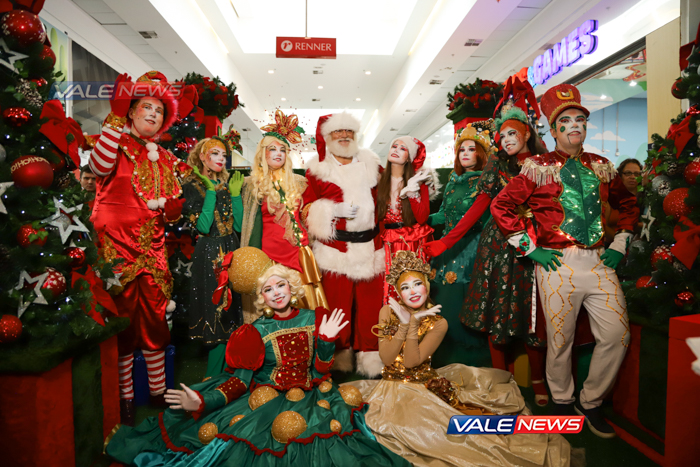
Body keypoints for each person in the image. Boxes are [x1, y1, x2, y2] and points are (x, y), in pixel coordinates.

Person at [105, 247, 410, 467]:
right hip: (266, 400)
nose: (276, 293)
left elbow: (320, 372)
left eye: (280, 285)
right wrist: (204, 402)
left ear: (291, 288)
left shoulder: (314, 318)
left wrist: (327, 343)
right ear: (260, 297)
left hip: (312, 397)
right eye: (268, 289)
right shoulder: (252, 332)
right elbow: (238, 382)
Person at [490, 83, 639, 438]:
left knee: (618, 334)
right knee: (561, 339)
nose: (575, 126)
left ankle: (591, 402)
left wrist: (620, 242)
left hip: (600, 262)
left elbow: (629, 204)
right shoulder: (536, 167)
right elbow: (502, 206)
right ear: (554, 130)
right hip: (558, 263)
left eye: (581, 120)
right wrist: (529, 248)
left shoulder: (602, 166)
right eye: (567, 121)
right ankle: (561, 401)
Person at [343, 250, 570, 467]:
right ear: (398, 292)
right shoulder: (387, 311)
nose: (412, 291)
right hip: (389, 387)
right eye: (405, 287)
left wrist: (411, 324)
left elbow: (412, 362)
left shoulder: (439, 323)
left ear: (427, 285)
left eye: (417, 284)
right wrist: (403, 325)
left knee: (444, 439)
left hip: (420, 388)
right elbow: (387, 356)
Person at [425, 78, 550, 406]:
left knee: (535, 315)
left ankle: (538, 380)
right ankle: (498, 377)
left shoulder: (545, 166)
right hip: (499, 249)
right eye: (503, 134)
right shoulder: (492, 170)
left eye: (514, 133)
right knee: (497, 315)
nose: (508, 140)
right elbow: (478, 210)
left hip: (534, 246)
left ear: (526, 134)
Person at [89, 71, 191, 425]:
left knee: (156, 322)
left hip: (154, 249)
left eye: (159, 110)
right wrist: (113, 119)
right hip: (115, 248)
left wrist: (176, 208)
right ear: (131, 112)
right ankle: (126, 399)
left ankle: (159, 391)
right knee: (122, 324)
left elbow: (174, 198)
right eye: (146, 107)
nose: (153, 114)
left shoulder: (164, 157)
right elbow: (97, 167)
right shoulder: (113, 141)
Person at [302, 112, 384, 377]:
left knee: (372, 307)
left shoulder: (372, 164)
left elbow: (388, 197)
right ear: (328, 136)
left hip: (371, 247)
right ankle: (337, 358)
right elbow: (305, 210)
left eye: (349, 131)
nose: (345, 135)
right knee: (337, 306)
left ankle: (371, 357)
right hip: (335, 251)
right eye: (339, 132)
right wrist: (332, 210)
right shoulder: (317, 171)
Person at [240, 109, 328, 320]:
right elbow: (250, 224)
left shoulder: (298, 183)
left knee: (306, 305)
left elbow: (308, 215)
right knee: (275, 306)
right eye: (273, 149)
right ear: (263, 153)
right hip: (270, 255)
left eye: (283, 150)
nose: (278, 153)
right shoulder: (252, 185)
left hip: (299, 252)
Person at [425, 125, 490, 367]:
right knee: (442, 294)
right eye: (461, 149)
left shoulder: (485, 182)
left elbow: (469, 220)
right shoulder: (453, 179)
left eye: (471, 149)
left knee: (463, 296)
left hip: (472, 247)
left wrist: (443, 241)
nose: (465, 153)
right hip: (446, 247)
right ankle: (441, 349)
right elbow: (444, 215)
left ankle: (469, 359)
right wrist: (418, 220)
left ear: (481, 154)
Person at [182, 134, 244, 375]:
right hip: (209, 252)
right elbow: (202, 227)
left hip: (232, 247)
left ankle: (230, 372)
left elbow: (238, 226)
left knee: (232, 308)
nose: (221, 159)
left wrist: (236, 196)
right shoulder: (191, 185)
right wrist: (210, 193)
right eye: (215, 154)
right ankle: (214, 377)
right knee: (216, 308)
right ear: (202, 157)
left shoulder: (228, 184)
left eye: (224, 155)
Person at [377, 136, 434, 304]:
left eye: (403, 149)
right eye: (394, 146)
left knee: (413, 286)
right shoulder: (379, 181)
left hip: (413, 242)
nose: (396, 150)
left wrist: (411, 193)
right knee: (391, 286)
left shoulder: (418, 181)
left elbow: (422, 217)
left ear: (410, 158)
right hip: (388, 243)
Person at [603, 158, 642, 243]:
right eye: (628, 173)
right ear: (620, 175)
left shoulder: (647, 199)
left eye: (637, 174)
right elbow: (603, 227)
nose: (632, 177)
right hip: (611, 247)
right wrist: (621, 242)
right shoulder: (609, 198)